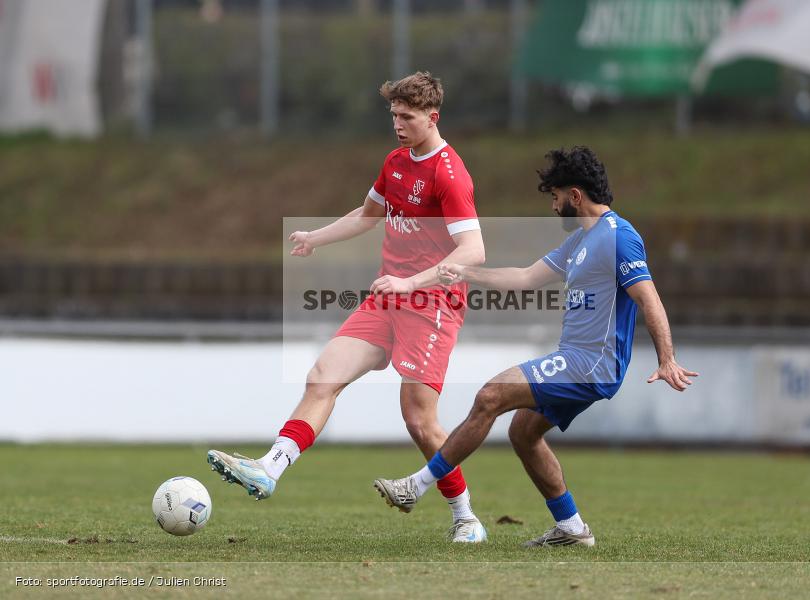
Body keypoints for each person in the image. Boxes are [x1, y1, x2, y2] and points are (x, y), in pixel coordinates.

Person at [208, 72, 490, 543]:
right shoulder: (396, 162)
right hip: (388, 298)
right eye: (394, 116)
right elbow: (367, 214)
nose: (398, 125)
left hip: (430, 302)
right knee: (323, 374)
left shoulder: (449, 173)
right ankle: (270, 469)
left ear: (432, 117)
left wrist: (410, 282)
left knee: (419, 418)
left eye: (407, 117)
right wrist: (315, 238)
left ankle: (465, 516)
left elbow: (473, 250)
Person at [374, 146, 698, 547]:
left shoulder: (619, 236)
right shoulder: (581, 241)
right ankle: (572, 528)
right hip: (574, 359)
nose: (554, 205)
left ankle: (416, 487)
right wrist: (465, 272)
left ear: (575, 195)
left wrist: (667, 359)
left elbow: (648, 298)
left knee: (490, 395)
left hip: (591, 364)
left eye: (556, 196)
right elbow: (526, 278)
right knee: (524, 432)